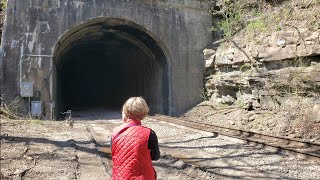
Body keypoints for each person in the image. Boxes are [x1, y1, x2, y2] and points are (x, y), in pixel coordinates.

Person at [111, 97, 160, 180]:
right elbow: (156, 156)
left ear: (125, 112)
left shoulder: (115, 132)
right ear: (144, 114)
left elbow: (114, 153)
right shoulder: (149, 134)